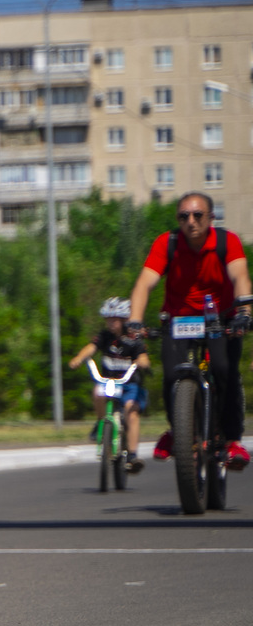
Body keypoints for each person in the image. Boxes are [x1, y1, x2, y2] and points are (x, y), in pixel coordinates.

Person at [125, 191, 253, 468]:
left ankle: (231, 439)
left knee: (224, 369)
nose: (191, 221)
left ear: (211, 217)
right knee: (172, 375)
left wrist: (244, 313)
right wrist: (134, 321)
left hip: (222, 318)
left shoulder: (227, 241)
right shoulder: (167, 243)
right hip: (180, 320)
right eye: (184, 216)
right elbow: (144, 283)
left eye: (197, 215)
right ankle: (178, 432)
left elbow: (240, 276)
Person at [66, 297, 150, 472]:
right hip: (109, 381)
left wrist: (142, 362)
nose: (110, 323)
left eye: (114, 320)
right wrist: (79, 358)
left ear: (124, 320)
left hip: (129, 384)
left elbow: (142, 356)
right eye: (108, 320)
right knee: (98, 393)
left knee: (131, 411)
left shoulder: (133, 339)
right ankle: (101, 422)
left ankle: (132, 455)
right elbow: (91, 347)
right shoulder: (104, 337)